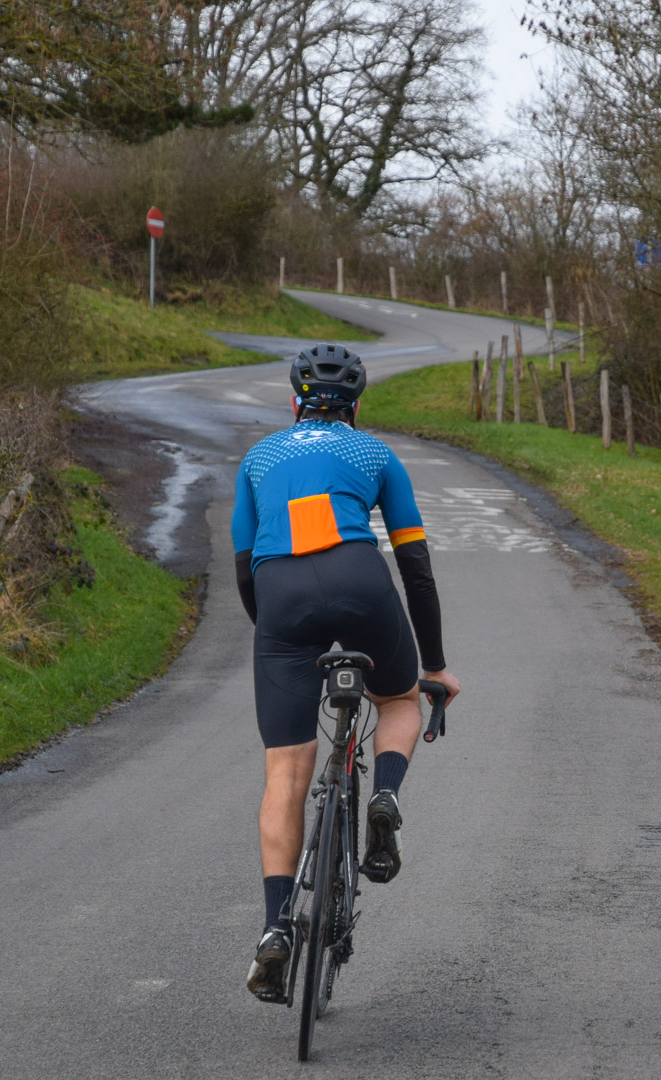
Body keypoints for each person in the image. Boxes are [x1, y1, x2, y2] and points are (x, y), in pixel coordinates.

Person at [231, 343, 462, 1003]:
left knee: (285, 773)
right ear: (357, 405)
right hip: (363, 585)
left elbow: (246, 569)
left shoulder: (259, 458)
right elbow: (415, 566)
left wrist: (275, 641)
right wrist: (435, 666)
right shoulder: (376, 456)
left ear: (294, 401)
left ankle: (277, 928)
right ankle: (385, 795)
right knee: (397, 699)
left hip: (280, 605)